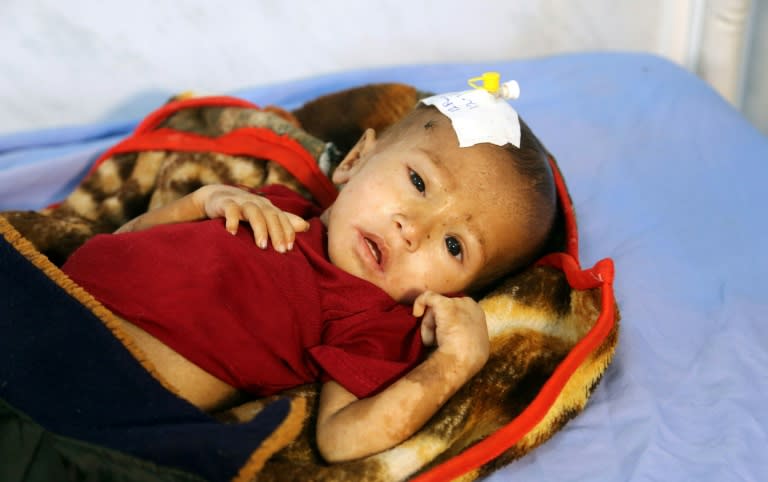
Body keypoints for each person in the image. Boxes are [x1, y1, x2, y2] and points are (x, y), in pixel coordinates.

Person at [61, 99, 557, 463]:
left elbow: (341, 440)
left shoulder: (374, 321)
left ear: (460, 293)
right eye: (420, 183)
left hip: (94, 393)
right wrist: (203, 201)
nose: (414, 229)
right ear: (354, 161)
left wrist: (455, 361)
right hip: (47, 294)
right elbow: (124, 239)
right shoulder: (276, 205)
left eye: (453, 246)